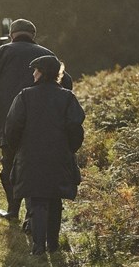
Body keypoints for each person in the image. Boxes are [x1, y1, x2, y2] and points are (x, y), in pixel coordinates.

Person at [0, 18, 64, 221]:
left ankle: (13, 209)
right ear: (33, 35)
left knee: (9, 165)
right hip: (41, 122)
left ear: (11, 34)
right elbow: (62, 84)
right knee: (35, 165)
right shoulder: (47, 54)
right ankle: (33, 215)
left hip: (8, 119)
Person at [5, 55, 85, 255]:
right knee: (55, 200)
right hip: (59, 156)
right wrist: (69, 149)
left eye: (35, 70)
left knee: (37, 200)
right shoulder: (67, 97)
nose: (33, 74)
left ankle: (38, 246)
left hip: (30, 156)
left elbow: (13, 127)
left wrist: (16, 149)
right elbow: (76, 128)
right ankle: (54, 245)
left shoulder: (24, 96)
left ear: (41, 72)